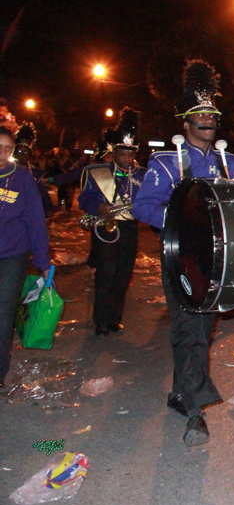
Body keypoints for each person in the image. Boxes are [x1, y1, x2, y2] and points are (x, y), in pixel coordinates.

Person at [132, 60, 234, 446]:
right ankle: (195, 412)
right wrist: (183, 219)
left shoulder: (230, 162)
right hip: (180, 256)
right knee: (189, 328)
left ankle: (181, 393)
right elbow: (142, 207)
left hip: (216, 260)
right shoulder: (164, 162)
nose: (208, 119)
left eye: (212, 113)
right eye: (200, 115)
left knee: (200, 330)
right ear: (185, 123)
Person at [78, 108, 146, 336]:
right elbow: (84, 199)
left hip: (129, 228)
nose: (127, 159)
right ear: (113, 151)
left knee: (124, 273)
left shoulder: (143, 175)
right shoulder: (97, 172)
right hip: (105, 228)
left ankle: (115, 318)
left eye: (130, 154)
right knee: (106, 272)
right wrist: (99, 207)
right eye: (122, 153)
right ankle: (101, 321)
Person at [0, 125, 50, 387]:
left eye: (8, 148)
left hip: (12, 255)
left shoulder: (21, 178)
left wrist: (43, 262)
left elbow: (35, 222)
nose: (2, 153)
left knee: (4, 309)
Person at [13, 123, 53, 215]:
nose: (22, 154)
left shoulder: (35, 174)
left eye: (26, 151)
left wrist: (48, 209)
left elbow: (42, 194)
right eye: (19, 151)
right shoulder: (6, 169)